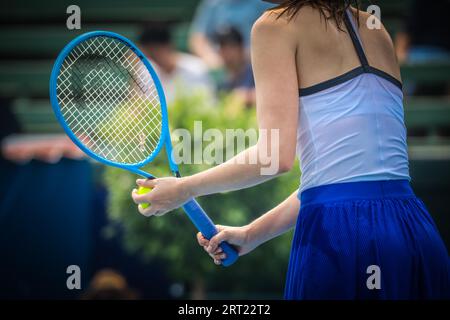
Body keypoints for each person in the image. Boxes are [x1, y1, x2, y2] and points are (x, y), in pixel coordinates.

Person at [132, 1, 450, 299]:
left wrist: (183, 189)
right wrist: (251, 234)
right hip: (414, 232)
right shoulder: (375, 27)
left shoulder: (274, 26)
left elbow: (274, 158)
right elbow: (339, 178)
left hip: (339, 239)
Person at [139, 23, 214, 104]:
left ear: (169, 46)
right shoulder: (145, 73)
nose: (156, 58)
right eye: (151, 55)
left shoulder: (197, 68)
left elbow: (208, 104)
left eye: (156, 51)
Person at [189, 0, 273, 68]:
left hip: (253, 61)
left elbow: (273, 35)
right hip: (219, 63)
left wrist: (252, 56)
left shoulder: (264, 2)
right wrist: (212, 58)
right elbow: (198, 39)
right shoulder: (212, 3)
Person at [214, 26, 256, 106]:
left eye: (231, 46)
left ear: (241, 48)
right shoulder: (221, 82)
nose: (226, 52)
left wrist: (248, 97)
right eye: (222, 46)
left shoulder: (255, 73)